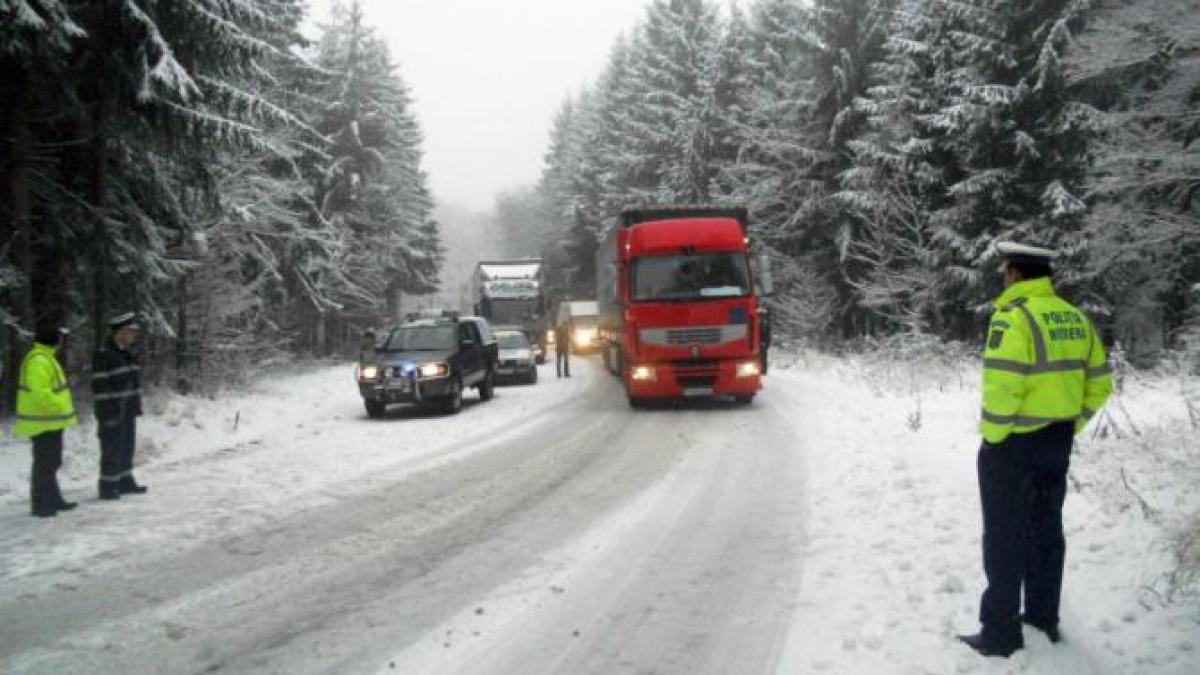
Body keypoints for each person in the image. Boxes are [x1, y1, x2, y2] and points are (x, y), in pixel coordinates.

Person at [958, 242, 1113, 657]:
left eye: (1005, 271)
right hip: (1056, 442)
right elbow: (1101, 383)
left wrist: (994, 437)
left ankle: (1000, 634)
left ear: (1014, 274)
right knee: (1046, 530)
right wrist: (1068, 423)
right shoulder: (1075, 317)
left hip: (1013, 446)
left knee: (1005, 536)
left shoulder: (1013, 318)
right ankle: (1044, 617)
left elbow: (1004, 385)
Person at [15, 318, 79, 518]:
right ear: (53, 339)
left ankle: (53, 499)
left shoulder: (46, 358)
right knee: (45, 463)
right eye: (60, 337)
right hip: (43, 421)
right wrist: (61, 406)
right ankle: (41, 504)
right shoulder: (39, 361)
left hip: (50, 421)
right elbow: (40, 393)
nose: (62, 341)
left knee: (51, 462)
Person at [92, 311, 146, 499]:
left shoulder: (128, 353)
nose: (134, 335)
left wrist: (135, 404)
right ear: (120, 332)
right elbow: (100, 386)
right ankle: (107, 486)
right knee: (112, 449)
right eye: (130, 331)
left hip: (128, 410)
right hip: (112, 411)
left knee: (126, 446)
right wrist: (107, 412)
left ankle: (125, 480)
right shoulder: (104, 354)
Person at [758, 304, 772, 375]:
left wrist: (765, 342)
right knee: (762, 356)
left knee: (763, 356)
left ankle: (763, 370)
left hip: (763, 342)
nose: (760, 317)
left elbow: (766, 334)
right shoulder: (765, 323)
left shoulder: (764, 323)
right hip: (762, 342)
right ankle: (762, 370)